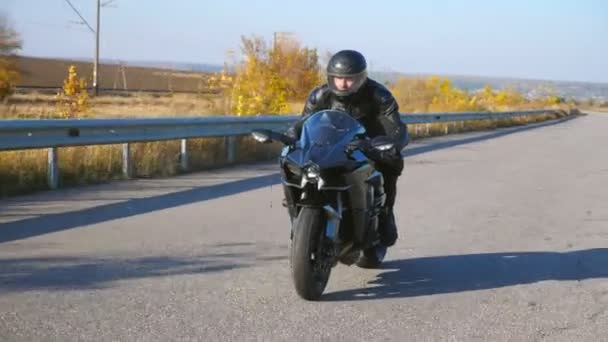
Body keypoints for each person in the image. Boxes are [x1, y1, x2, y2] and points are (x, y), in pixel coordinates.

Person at [285, 49, 409, 247]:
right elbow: (304, 122)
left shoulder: (379, 95)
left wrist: (389, 144)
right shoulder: (320, 95)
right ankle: (299, 216)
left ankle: (386, 211)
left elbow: (396, 128)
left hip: (368, 142)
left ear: (361, 78)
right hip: (332, 143)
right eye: (337, 78)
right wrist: (291, 134)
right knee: (293, 159)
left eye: (349, 79)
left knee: (392, 158)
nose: (342, 84)